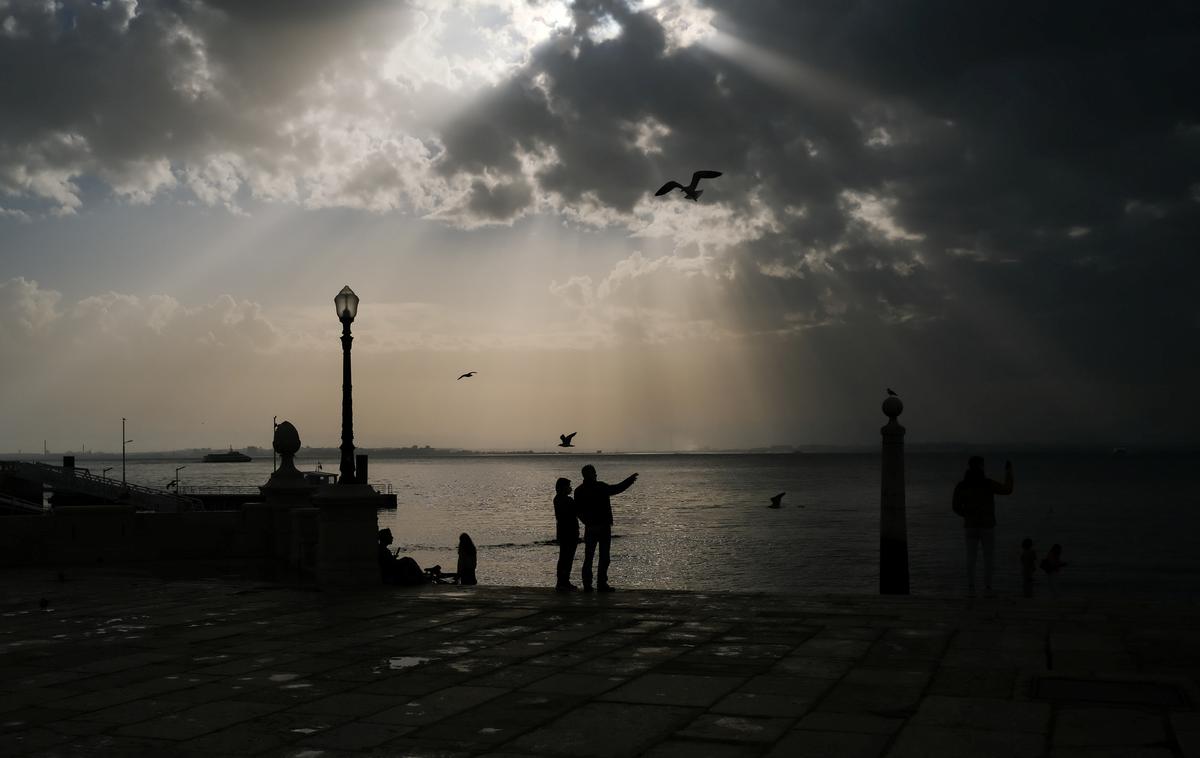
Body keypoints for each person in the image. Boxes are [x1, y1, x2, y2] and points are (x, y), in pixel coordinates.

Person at [952, 456, 1013, 597]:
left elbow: (955, 507)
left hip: (970, 526)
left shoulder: (962, 485)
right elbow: (1007, 489)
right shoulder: (987, 484)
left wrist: (967, 514)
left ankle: (971, 585)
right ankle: (988, 586)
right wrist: (1009, 472)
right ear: (981, 466)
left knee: (971, 557)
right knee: (989, 558)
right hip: (987, 525)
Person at [574, 464, 638, 592]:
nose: (596, 475)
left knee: (589, 557)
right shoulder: (600, 487)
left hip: (591, 528)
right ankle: (601, 584)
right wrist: (629, 481)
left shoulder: (579, 490)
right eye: (594, 473)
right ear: (590, 474)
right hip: (602, 527)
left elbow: (578, 511)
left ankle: (588, 585)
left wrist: (587, 523)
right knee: (603, 557)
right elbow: (617, 488)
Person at [554, 477, 581, 592]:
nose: (570, 488)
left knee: (564, 558)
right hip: (569, 532)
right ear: (563, 487)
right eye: (568, 486)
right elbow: (577, 511)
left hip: (563, 532)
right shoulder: (566, 500)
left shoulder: (557, 499)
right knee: (567, 558)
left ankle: (563, 581)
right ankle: (563, 582)